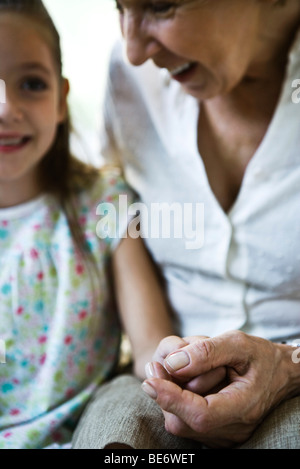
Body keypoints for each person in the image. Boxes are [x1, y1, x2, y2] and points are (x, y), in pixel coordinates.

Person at [72, 0, 300, 449]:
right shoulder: (129, 74)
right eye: (119, 6)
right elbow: (118, 214)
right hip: (158, 371)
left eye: (160, 6)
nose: (133, 49)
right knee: (111, 442)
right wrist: (155, 353)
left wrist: (289, 366)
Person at [0, 0, 175, 449]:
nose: (6, 108)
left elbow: (151, 345)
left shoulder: (104, 204)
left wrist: (188, 364)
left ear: (61, 100)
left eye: (31, 84)